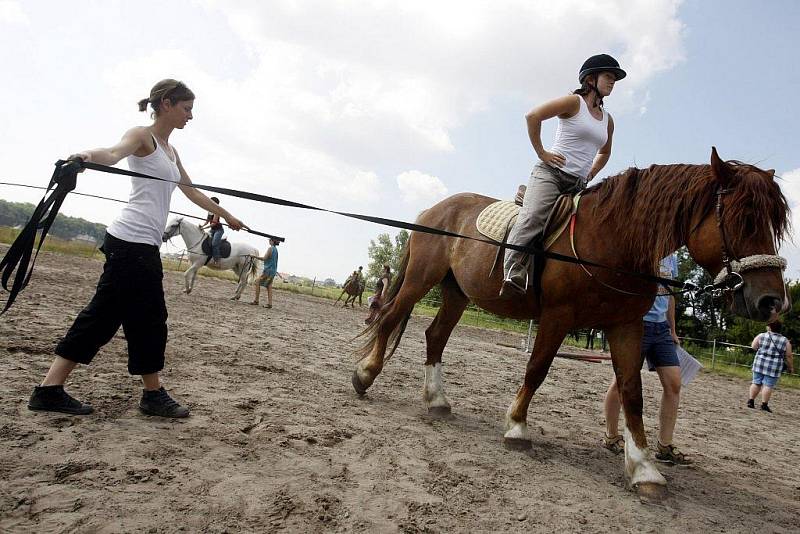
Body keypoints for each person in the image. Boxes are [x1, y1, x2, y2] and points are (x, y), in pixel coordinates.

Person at [27, 79, 245, 418]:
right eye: (187, 108)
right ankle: (144, 394)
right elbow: (112, 154)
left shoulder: (172, 151)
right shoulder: (143, 136)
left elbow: (191, 191)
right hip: (130, 241)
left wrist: (228, 215)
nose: (191, 116)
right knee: (136, 317)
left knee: (128, 317)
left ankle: (59, 389)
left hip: (142, 245)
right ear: (168, 104)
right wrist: (83, 157)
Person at [501, 54, 625, 296]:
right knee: (534, 218)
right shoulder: (573, 103)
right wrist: (542, 153)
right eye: (609, 77)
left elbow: (605, 151)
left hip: (578, 184)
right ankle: (513, 272)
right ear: (591, 79)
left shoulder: (608, 121)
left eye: (614, 79)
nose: (613, 82)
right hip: (551, 174)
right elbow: (533, 116)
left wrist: (591, 173)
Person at [602, 254, 692, 465]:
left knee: (674, 383)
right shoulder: (640, 248)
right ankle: (611, 436)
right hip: (636, 324)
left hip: (661, 329)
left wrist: (672, 328)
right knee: (621, 383)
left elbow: (670, 295)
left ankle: (665, 445)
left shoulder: (672, 258)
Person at [748, 321, 794, 412]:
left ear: (769, 327)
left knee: (756, 382)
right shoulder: (785, 340)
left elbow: (753, 346)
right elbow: (788, 355)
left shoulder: (761, 335)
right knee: (768, 385)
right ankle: (764, 405)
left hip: (759, 363)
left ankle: (751, 401)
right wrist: (790, 367)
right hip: (774, 366)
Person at [251, 237, 280, 308]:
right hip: (273, 271)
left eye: (270, 240)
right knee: (269, 286)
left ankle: (256, 301)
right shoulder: (276, 250)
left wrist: (254, 256)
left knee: (257, 282)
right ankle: (270, 304)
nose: (269, 241)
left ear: (272, 241)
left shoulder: (270, 249)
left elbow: (264, 258)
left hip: (268, 270)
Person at [200, 196, 224, 266]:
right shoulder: (209, 211)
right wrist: (202, 226)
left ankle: (217, 260)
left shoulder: (217, 211)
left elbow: (214, 223)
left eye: (210, 201)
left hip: (218, 230)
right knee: (204, 239)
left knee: (214, 244)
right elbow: (207, 221)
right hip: (212, 230)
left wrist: (205, 228)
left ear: (214, 203)